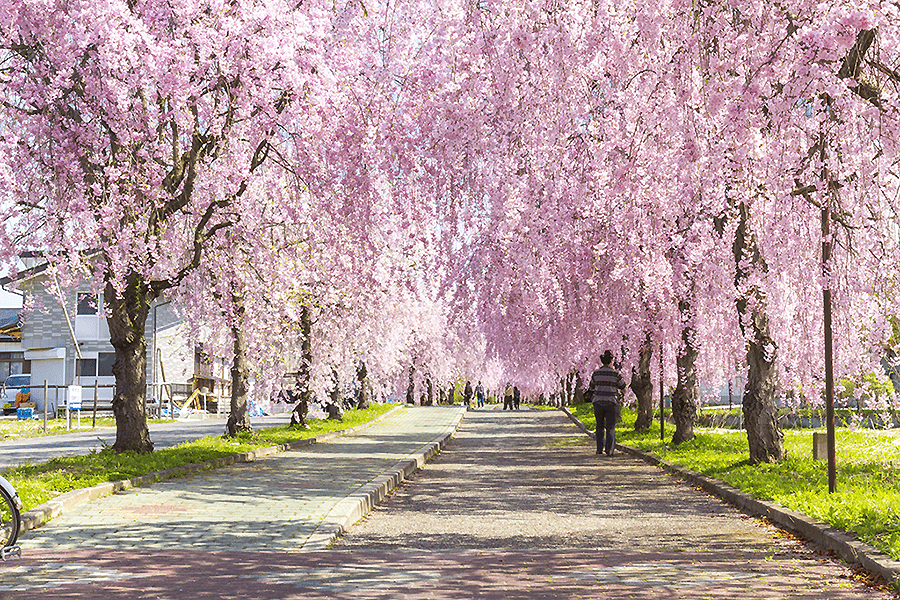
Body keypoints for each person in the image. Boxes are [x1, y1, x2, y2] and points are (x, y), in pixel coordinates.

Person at [587, 350, 626, 456]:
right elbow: (623, 385)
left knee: (599, 425)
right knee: (610, 427)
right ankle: (609, 450)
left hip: (598, 402)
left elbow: (591, 387)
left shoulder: (596, 373)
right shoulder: (615, 374)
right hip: (611, 402)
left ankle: (599, 449)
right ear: (611, 361)